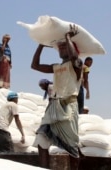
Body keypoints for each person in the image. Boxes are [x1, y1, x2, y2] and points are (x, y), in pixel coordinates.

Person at [31, 24, 83, 169]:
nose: (61, 48)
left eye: (65, 46)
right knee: (41, 138)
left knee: (71, 147)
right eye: (59, 47)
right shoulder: (56, 67)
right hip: (54, 107)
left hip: (68, 108)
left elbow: (74, 57)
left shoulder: (78, 65)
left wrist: (67, 37)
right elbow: (34, 65)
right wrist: (41, 45)